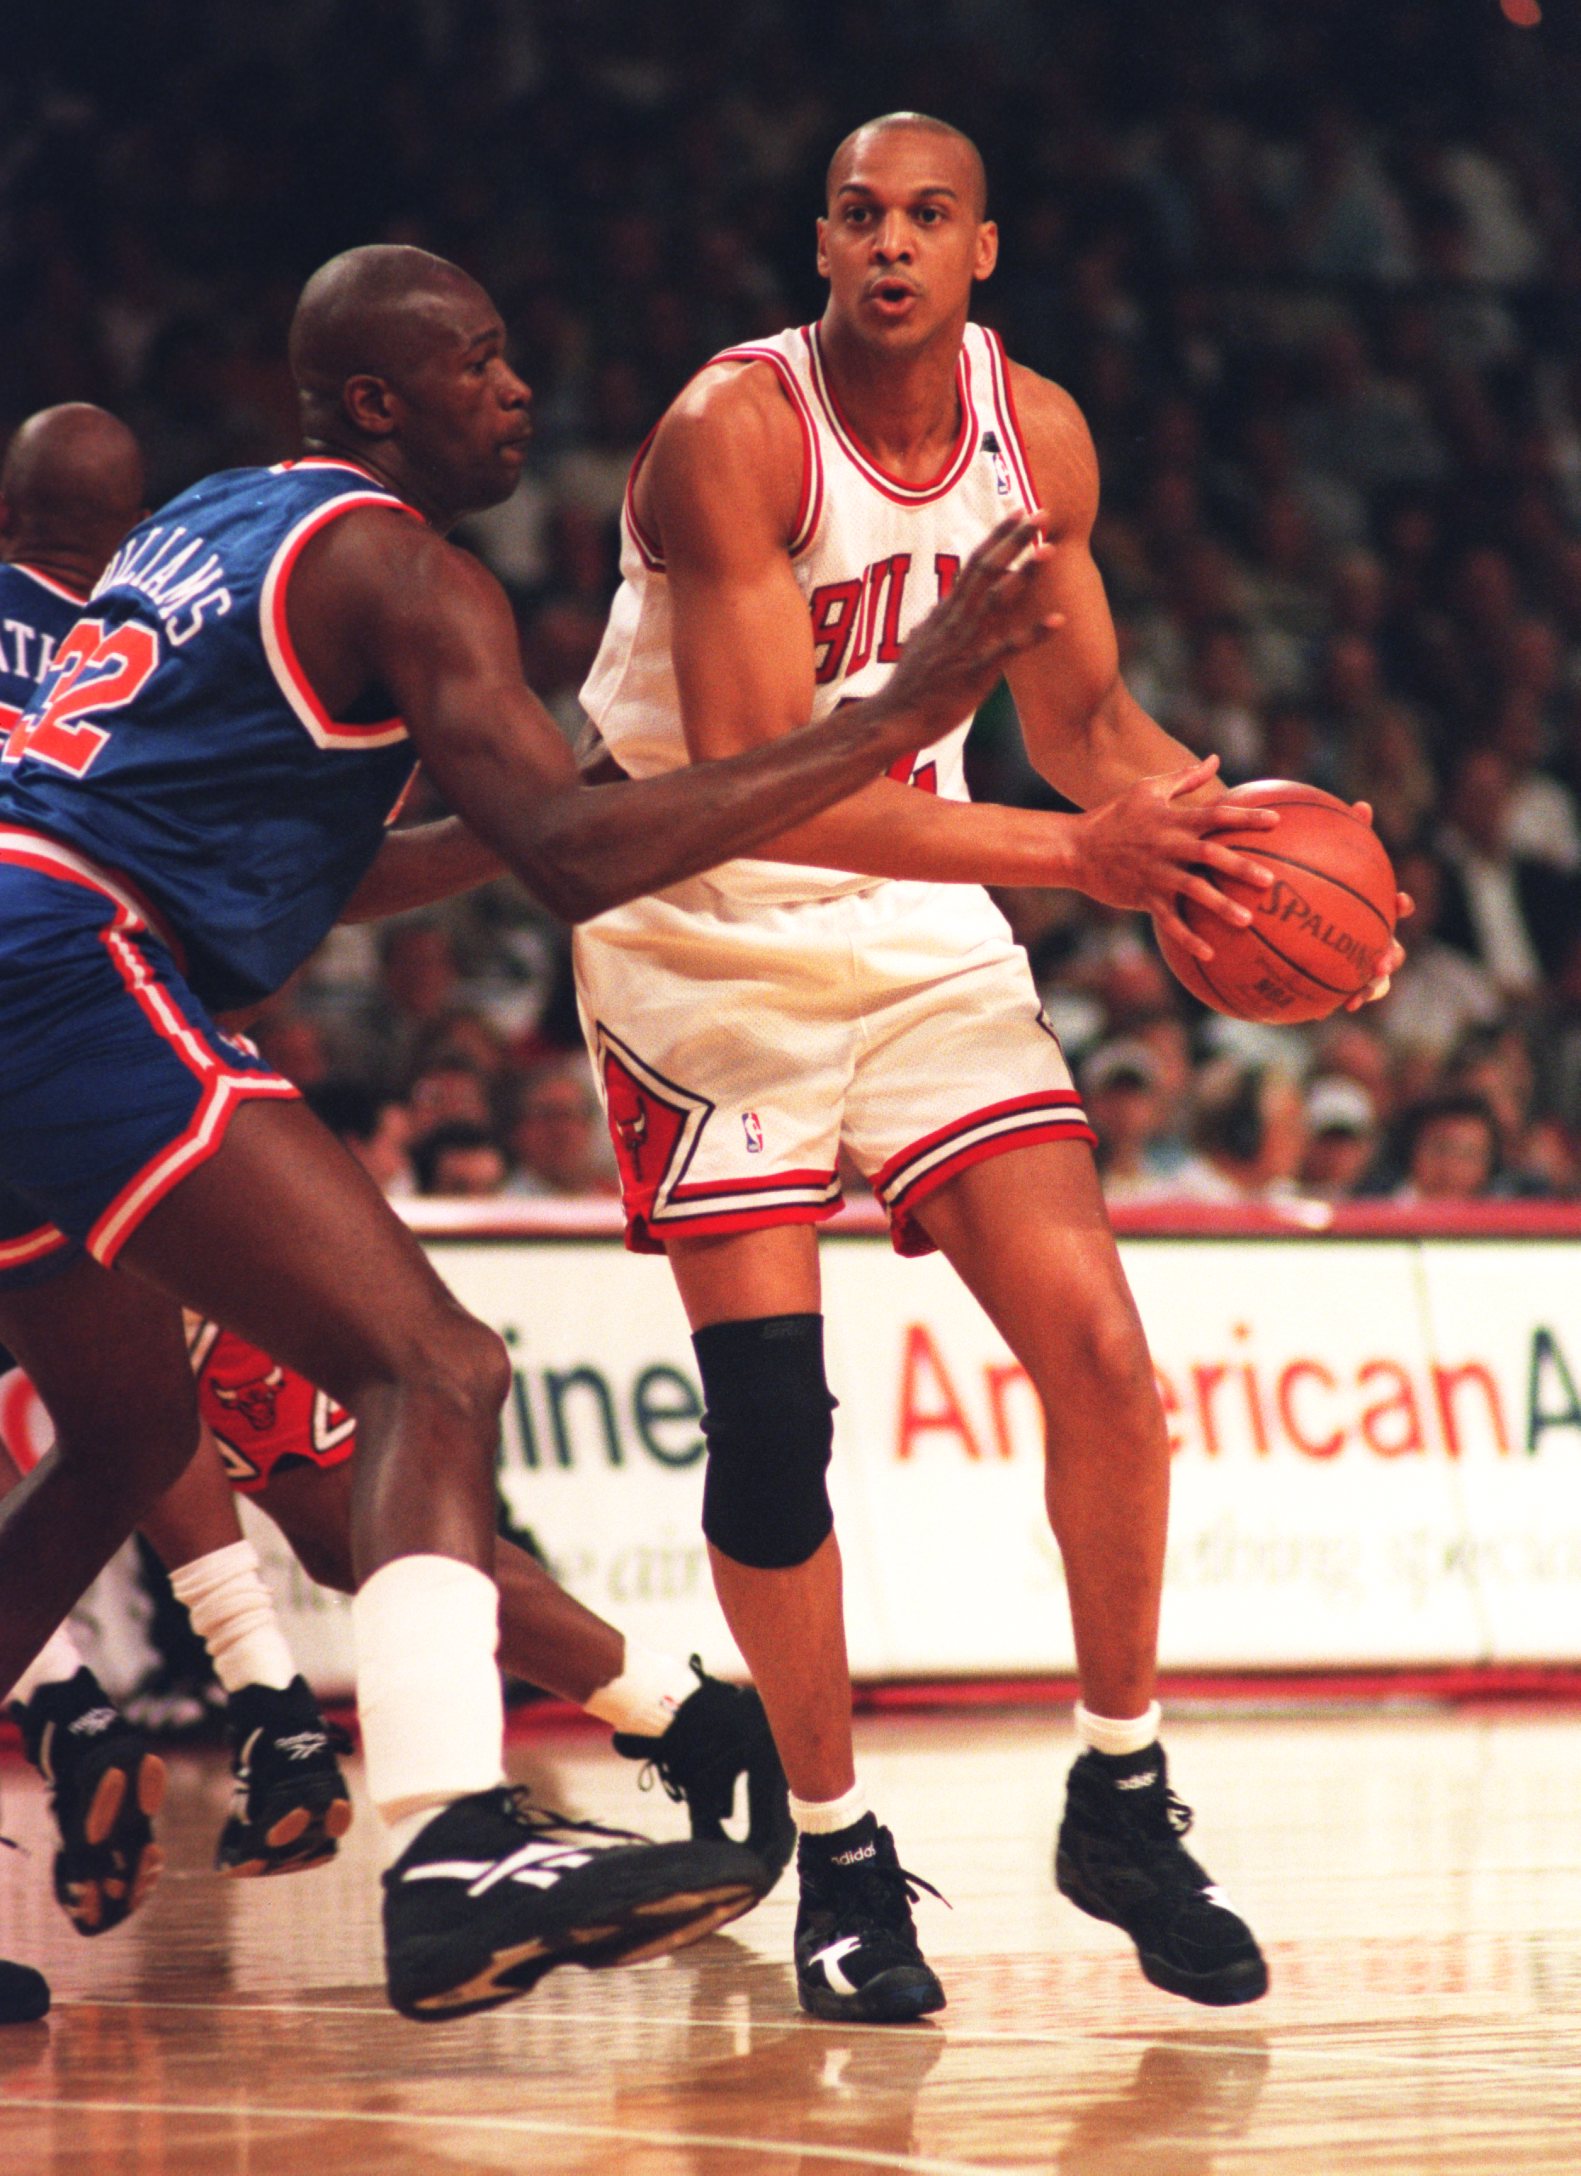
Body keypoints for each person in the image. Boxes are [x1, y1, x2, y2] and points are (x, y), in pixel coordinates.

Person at [0, 241, 1063, 2021]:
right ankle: (453, 1840)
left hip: (31, 935)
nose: (514, 391)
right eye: (478, 362)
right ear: (375, 400)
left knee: (118, 1442)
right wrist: (890, 718)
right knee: (438, 1367)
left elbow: (339, 875)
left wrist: (593, 796)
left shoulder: (215, 522)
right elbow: (573, 865)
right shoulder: (404, 570)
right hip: (63, 962)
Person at [571, 114, 1402, 2022]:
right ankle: (839, 1848)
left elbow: (1089, 724)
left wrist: (1259, 857)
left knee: (1102, 1355)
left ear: (981, 250)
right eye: (860, 214)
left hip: (920, 909)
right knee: (770, 1429)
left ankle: (1120, 1790)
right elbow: (761, 787)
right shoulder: (734, 432)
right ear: (820, 241)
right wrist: (1076, 857)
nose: (891, 243)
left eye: (927, 217)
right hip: (700, 919)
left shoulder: (1038, 437)